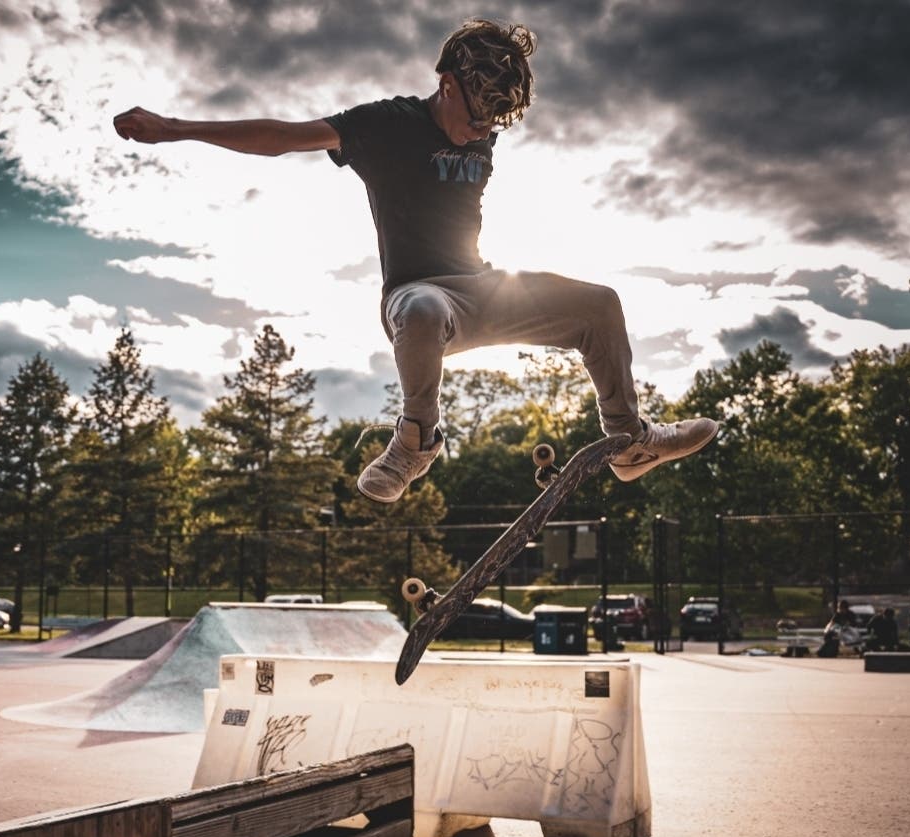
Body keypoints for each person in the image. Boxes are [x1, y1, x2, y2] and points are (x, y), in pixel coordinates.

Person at [113, 18, 719, 502]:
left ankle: (630, 443)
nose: (479, 132)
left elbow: (488, 113)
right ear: (446, 84)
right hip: (417, 298)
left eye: (491, 124)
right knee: (425, 307)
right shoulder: (385, 124)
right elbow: (283, 137)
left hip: (484, 289)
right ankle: (416, 441)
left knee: (599, 305)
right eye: (473, 118)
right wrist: (175, 128)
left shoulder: (484, 125)